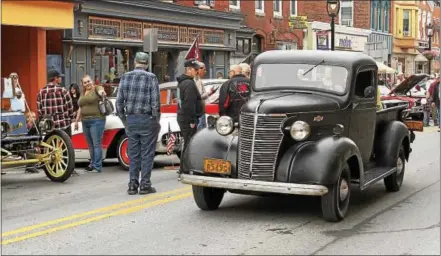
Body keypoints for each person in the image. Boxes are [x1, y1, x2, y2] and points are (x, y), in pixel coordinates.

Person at [116, 52, 161, 195]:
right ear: (146, 64)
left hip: (131, 119)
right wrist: (156, 119)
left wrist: (125, 120)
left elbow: (119, 103)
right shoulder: (151, 78)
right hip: (147, 119)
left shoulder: (125, 76)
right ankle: (145, 184)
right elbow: (155, 103)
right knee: (147, 153)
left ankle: (132, 185)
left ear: (135, 62)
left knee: (133, 154)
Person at [74, 75, 106, 173]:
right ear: (83, 84)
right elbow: (80, 107)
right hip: (85, 121)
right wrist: (76, 121)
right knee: (90, 145)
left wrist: (102, 93)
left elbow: (102, 91)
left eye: (88, 81)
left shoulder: (97, 88)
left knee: (96, 144)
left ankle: (97, 166)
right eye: (85, 82)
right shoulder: (83, 93)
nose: (87, 83)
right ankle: (92, 164)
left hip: (96, 120)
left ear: (91, 81)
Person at [176, 59, 202, 165]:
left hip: (183, 116)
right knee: (189, 143)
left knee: (187, 142)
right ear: (189, 70)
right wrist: (192, 120)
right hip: (187, 118)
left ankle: (184, 166)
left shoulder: (183, 82)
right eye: (195, 69)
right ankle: (185, 167)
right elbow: (189, 103)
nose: (197, 72)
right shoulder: (189, 83)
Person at [37, 69, 75, 136]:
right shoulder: (63, 91)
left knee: (50, 145)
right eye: (59, 77)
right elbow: (70, 107)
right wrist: (71, 118)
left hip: (49, 126)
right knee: (66, 145)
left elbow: (39, 111)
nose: (61, 79)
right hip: (63, 125)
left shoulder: (41, 92)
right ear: (55, 78)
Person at [194, 61, 215, 130]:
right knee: (200, 131)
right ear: (199, 69)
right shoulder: (197, 80)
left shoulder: (197, 80)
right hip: (199, 110)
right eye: (204, 69)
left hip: (200, 110)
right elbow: (199, 97)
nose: (205, 71)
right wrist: (209, 93)